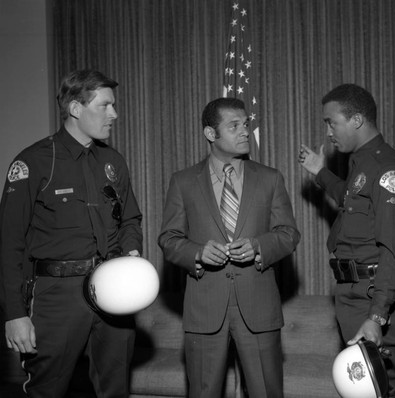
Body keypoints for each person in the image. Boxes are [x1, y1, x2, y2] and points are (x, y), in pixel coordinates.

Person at [0, 69, 143, 397]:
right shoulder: (33, 162)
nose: (114, 114)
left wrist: (131, 253)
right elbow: (9, 245)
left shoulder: (113, 161)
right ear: (76, 109)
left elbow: (131, 220)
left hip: (113, 291)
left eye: (114, 106)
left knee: (116, 388)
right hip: (56, 294)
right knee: (48, 389)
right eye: (105, 106)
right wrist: (15, 314)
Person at [158, 97, 300, 398]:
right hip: (205, 309)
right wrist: (196, 252)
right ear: (211, 134)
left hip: (258, 308)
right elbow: (168, 239)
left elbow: (288, 234)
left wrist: (258, 246)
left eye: (245, 124)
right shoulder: (183, 182)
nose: (245, 131)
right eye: (234, 126)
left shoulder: (270, 179)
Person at [298, 84, 395, 398]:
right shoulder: (362, 162)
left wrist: (377, 316)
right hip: (352, 294)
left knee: (386, 390)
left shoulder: (389, 171)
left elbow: (393, 250)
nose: (328, 132)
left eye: (331, 122)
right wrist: (319, 172)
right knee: (360, 391)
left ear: (357, 120)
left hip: (374, 296)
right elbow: (350, 199)